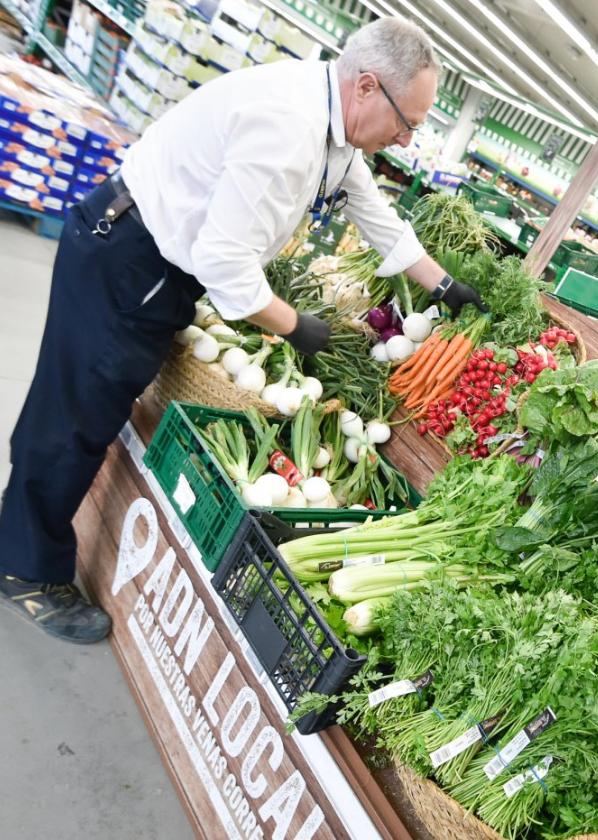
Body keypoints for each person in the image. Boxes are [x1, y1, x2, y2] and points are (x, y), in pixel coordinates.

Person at [0, 17, 483, 643]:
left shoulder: (333, 125)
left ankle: (17, 534)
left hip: (150, 263)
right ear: (368, 87)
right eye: (407, 121)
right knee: (75, 418)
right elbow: (223, 264)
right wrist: (294, 327)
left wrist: (442, 285)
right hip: (131, 259)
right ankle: (26, 573)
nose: (406, 137)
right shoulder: (287, 130)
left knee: (79, 408)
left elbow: (375, 213)